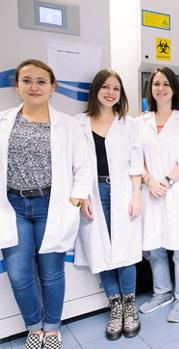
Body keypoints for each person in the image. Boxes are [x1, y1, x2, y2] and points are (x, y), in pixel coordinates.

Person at [0, 59, 92, 349]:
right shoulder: (3, 121)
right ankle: (33, 326)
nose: (34, 86)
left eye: (42, 81)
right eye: (27, 80)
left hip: (50, 205)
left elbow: (84, 167)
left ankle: (51, 328)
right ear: (17, 86)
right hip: (12, 205)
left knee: (51, 272)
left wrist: (74, 202)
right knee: (19, 273)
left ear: (52, 87)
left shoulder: (67, 124)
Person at [74, 69, 143, 340]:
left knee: (125, 252)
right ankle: (115, 306)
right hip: (93, 191)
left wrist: (137, 194)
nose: (110, 92)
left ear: (121, 94)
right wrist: (82, 197)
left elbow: (136, 163)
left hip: (123, 191)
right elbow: (74, 164)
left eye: (116, 88)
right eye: (105, 87)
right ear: (96, 90)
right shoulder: (78, 123)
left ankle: (130, 306)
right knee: (100, 250)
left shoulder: (129, 123)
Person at [137, 67, 179, 322]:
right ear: (150, 89)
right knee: (155, 248)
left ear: (173, 89)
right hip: (150, 190)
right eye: (156, 84)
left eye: (165, 83)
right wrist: (149, 180)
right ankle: (162, 292)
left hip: (178, 191)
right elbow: (134, 157)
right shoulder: (139, 122)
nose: (160, 88)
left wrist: (165, 180)